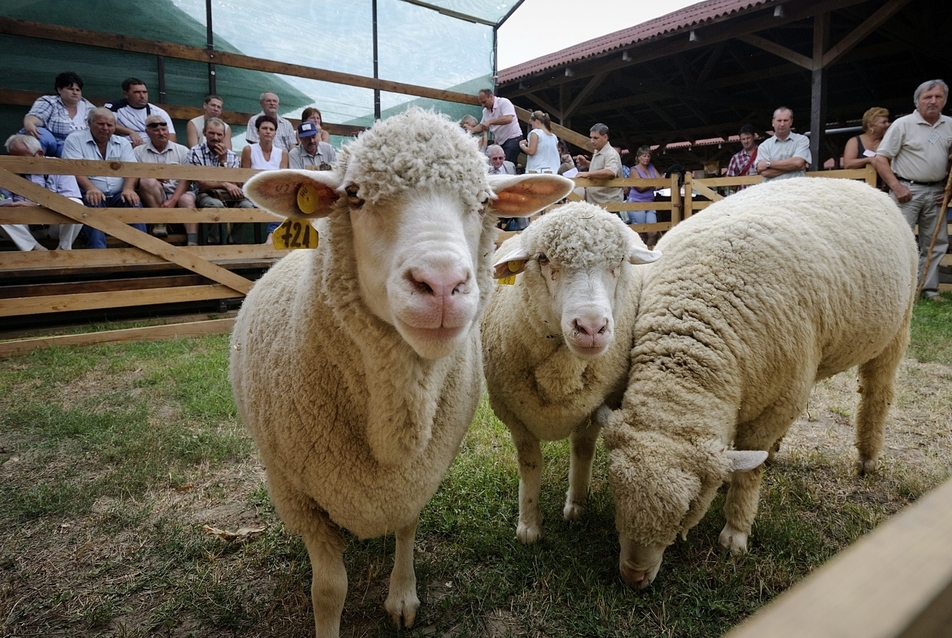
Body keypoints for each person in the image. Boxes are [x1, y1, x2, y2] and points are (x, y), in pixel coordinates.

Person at [871, 79, 951, 301]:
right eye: (927, 97)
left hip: (936, 193)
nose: (933, 101)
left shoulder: (950, 125)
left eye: (938, 97)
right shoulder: (902, 125)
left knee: (935, 242)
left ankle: (928, 289)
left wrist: (948, 191)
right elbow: (880, 159)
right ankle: (897, 290)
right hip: (907, 190)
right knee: (897, 240)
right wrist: (896, 187)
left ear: (944, 100)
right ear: (917, 101)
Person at [61, 107, 145, 249]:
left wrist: (129, 188)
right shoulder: (75, 139)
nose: (105, 128)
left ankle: (141, 250)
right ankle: (98, 253)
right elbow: (73, 169)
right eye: (101, 124)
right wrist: (90, 188)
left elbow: (131, 169)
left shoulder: (122, 142)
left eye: (110, 125)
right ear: (89, 123)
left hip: (118, 194)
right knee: (92, 203)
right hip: (87, 191)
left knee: (133, 203)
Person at [0, 134, 83, 251]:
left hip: (55, 225)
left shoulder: (58, 165)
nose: (17, 162)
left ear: (40, 153)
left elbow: (69, 199)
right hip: (24, 228)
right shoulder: (5, 170)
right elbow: (4, 201)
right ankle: (36, 249)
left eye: (23, 159)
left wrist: (34, 206)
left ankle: (63, 248)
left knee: (76, 204)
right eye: (14, 158)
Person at [189, 117, 255, 244]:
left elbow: (235, 183)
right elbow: (201, 184)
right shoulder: (195, 152)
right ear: (204, 133)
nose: (215, 137)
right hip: (205, 194)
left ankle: (234, 242)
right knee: (216, 205)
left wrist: (223, 161)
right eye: (211, 133)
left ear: (224, 136)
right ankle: (214, 243)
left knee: (247, 206)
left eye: (219, 134)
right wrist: (224, 184)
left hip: (229, 195)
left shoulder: (231, 155)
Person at [135, 115, 196, 243]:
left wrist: (174, 200)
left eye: (164, 129)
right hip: (153, 195)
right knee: (147, 181)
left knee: (187, 199)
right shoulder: (138, 152)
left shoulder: (182, 150)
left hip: (178, 193)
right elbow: (133, 177)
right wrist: (152, 175)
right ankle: (160, 222)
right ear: (147, 132)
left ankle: (193, 241)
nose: (161, 133)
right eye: (156, 130)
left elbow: (186, 179)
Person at [21, 71, 96, 158]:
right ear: (59, 90)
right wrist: (29, 123)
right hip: (50, 142)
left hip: (72, 145)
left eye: (78, 90)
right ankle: (34, 165)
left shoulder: (90, 109)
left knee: (74, 149)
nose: (75, 92)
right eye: (70, 89)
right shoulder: (49, 101)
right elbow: (37, 116)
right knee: (39, 133)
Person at [241, 115, 289, 244]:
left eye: (271, 129)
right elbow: (244, 178)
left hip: (274, 194)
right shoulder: (248, 150)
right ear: (257, 131)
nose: (268, 131)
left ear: (275, 133)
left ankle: (271, 236)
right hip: (253, 193)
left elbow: (282, 180)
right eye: (264, 128)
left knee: (282, 202)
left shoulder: (282, 153)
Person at [104, 77, 176, 147]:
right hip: (121, 149)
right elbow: (104, 124)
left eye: (144, 92)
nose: (142, 96)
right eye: (137, 92)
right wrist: (130, 132)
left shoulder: (158, 112)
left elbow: (172, 138)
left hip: (150, 151)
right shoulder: (114, 107)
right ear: (126, 94)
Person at [574, 123, 624, 212]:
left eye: (595, 138)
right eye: (591, 137)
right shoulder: (597, 151)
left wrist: (587, 174)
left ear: (605, 137)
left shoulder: (611, 153)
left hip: (608, 204)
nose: (592, 141)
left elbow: (610, 172)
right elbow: (600, 169)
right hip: (597, 203)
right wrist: (586, 163)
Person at [755, 107, 811, 181]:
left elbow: (798, 163)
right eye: (779, 120)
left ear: (791, 122)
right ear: (773, 122)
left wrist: (768, 164)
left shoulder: (802, 140)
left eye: (785, 120)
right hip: (773, 190)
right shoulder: (764, 146)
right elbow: (765, 173)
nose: (782, 124)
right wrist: (794, 167)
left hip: (796, 189)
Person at [471, 88, 523, 165]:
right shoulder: (485, 111)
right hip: (501, 142)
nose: (483, 105)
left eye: (484, 102)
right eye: (481, 103)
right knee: (500, 165)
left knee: (505, 165)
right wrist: (470, 131)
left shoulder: (504, 102)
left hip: (513, 138)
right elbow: (482, 126)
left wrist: (490, 122)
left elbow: (508, 118)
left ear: (491, 96)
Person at [627, 146, 661, 247]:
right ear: (638, 157)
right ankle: (638, 254)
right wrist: (653, 183)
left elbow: (660, 182)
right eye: (644, 156)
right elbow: (640, 187)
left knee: (653, 232)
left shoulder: (651, 167)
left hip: (650, 202)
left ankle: (648, 252)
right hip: (637, 202)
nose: (646, 158)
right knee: (640, 232)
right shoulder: (634, 170)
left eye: (648, 156)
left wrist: (651, 183)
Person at [726, 123, 759, 189]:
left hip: (761, 194)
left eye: (748, 138)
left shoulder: (764, 152)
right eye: (743, 139)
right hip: (743, 196)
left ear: (754, 136)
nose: (746, 141)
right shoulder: (736, 158)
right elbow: (729, 179)